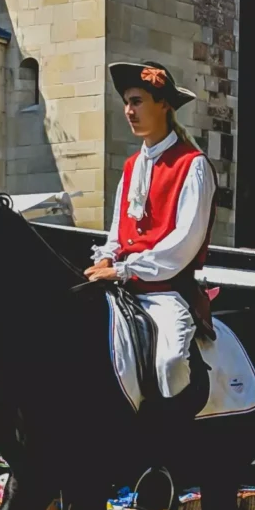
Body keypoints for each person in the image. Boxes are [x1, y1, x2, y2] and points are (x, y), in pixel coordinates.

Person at [89, 63, 215, 419]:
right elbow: (117, 233)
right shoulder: (130, 167)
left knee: (172, 362)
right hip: (123, 287)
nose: (129, 111)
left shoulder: (193, 165)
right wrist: (107, 258)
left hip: (168, 290)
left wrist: (126, 269)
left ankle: (171, 450)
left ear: (164, 105)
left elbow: (185, 242)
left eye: (138, 101)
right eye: (127, 103)